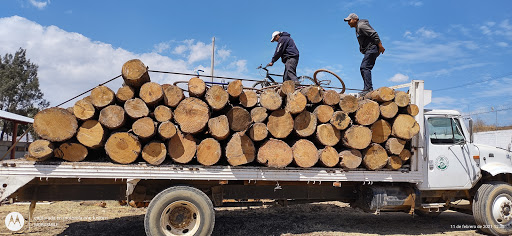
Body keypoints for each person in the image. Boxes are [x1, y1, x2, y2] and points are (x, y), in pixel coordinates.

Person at [344, 13, 385, 96]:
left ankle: (368, 89)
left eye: (349, 20)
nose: (348, 22)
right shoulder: (357, 27)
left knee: (365, 67)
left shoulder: (361, 25)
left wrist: (380, 46)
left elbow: (374, 34)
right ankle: (367, 88)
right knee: (364, 67)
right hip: (370, 50)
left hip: (373, 48)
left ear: (355, 19)